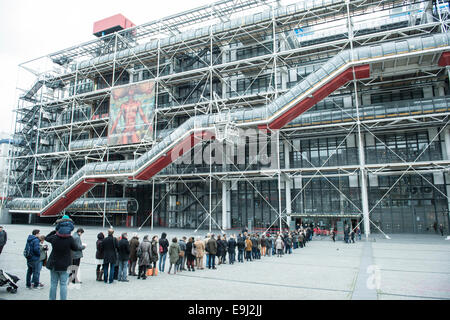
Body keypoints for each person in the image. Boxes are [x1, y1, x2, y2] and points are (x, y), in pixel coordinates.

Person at [45, 226, 79, 300]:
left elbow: (46, 237)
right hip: (65, 264)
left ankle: (52, 298)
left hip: (54, 263)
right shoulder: (70, 239)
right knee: (63, 284)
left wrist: (54, 231)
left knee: (53, 284)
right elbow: (76, 248)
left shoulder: (54, 237)